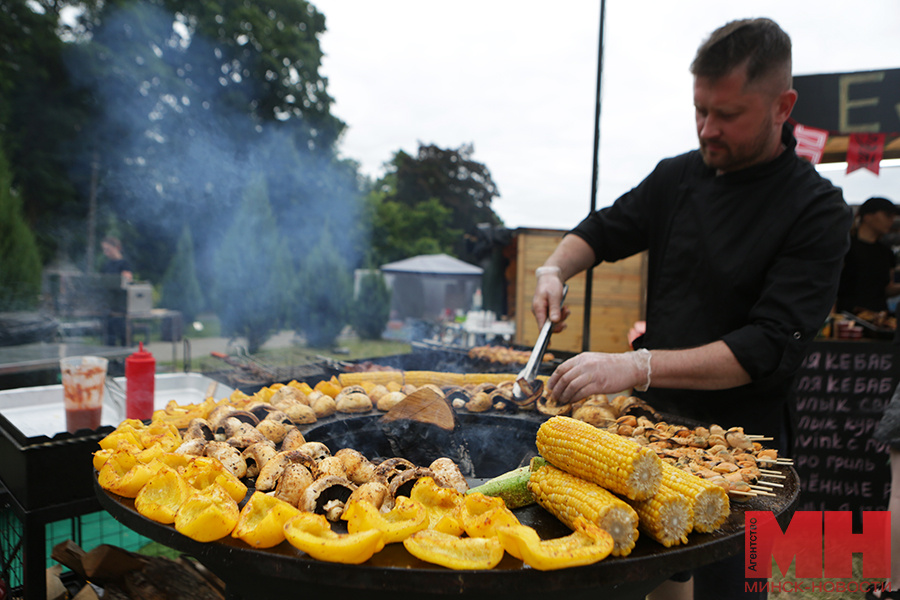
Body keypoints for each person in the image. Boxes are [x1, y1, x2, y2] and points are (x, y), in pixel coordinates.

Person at [531, 18, 852, 600]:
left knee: (729, 587)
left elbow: (768, 343)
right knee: (656, 577)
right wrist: (554, 268)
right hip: (650, 428)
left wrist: (636, 365)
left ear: (784, 106)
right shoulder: (678, 176)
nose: (708, 129)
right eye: (700, 110)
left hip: (745, 446)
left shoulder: (818, 209)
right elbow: (604, 229)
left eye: (728, 115)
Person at [835, 196, 900, 314]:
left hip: (878, 318)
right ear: (867, 216)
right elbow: (832, 283)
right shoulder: (845, 247)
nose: (891, 220)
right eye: (887, 215)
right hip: (847, 317)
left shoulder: (886, 252)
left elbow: (887, 288)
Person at [99, 236, 133, 345]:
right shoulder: (106, 265)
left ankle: (125, 359)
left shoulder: (125, 264)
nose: (106, 252)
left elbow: (128, 281)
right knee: (109, 337)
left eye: (108, 249)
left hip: (122, 307)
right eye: (104, 249)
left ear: (117, 247)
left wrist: (126, 278)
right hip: (109, 307)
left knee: (124, 336)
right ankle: (112, 361)